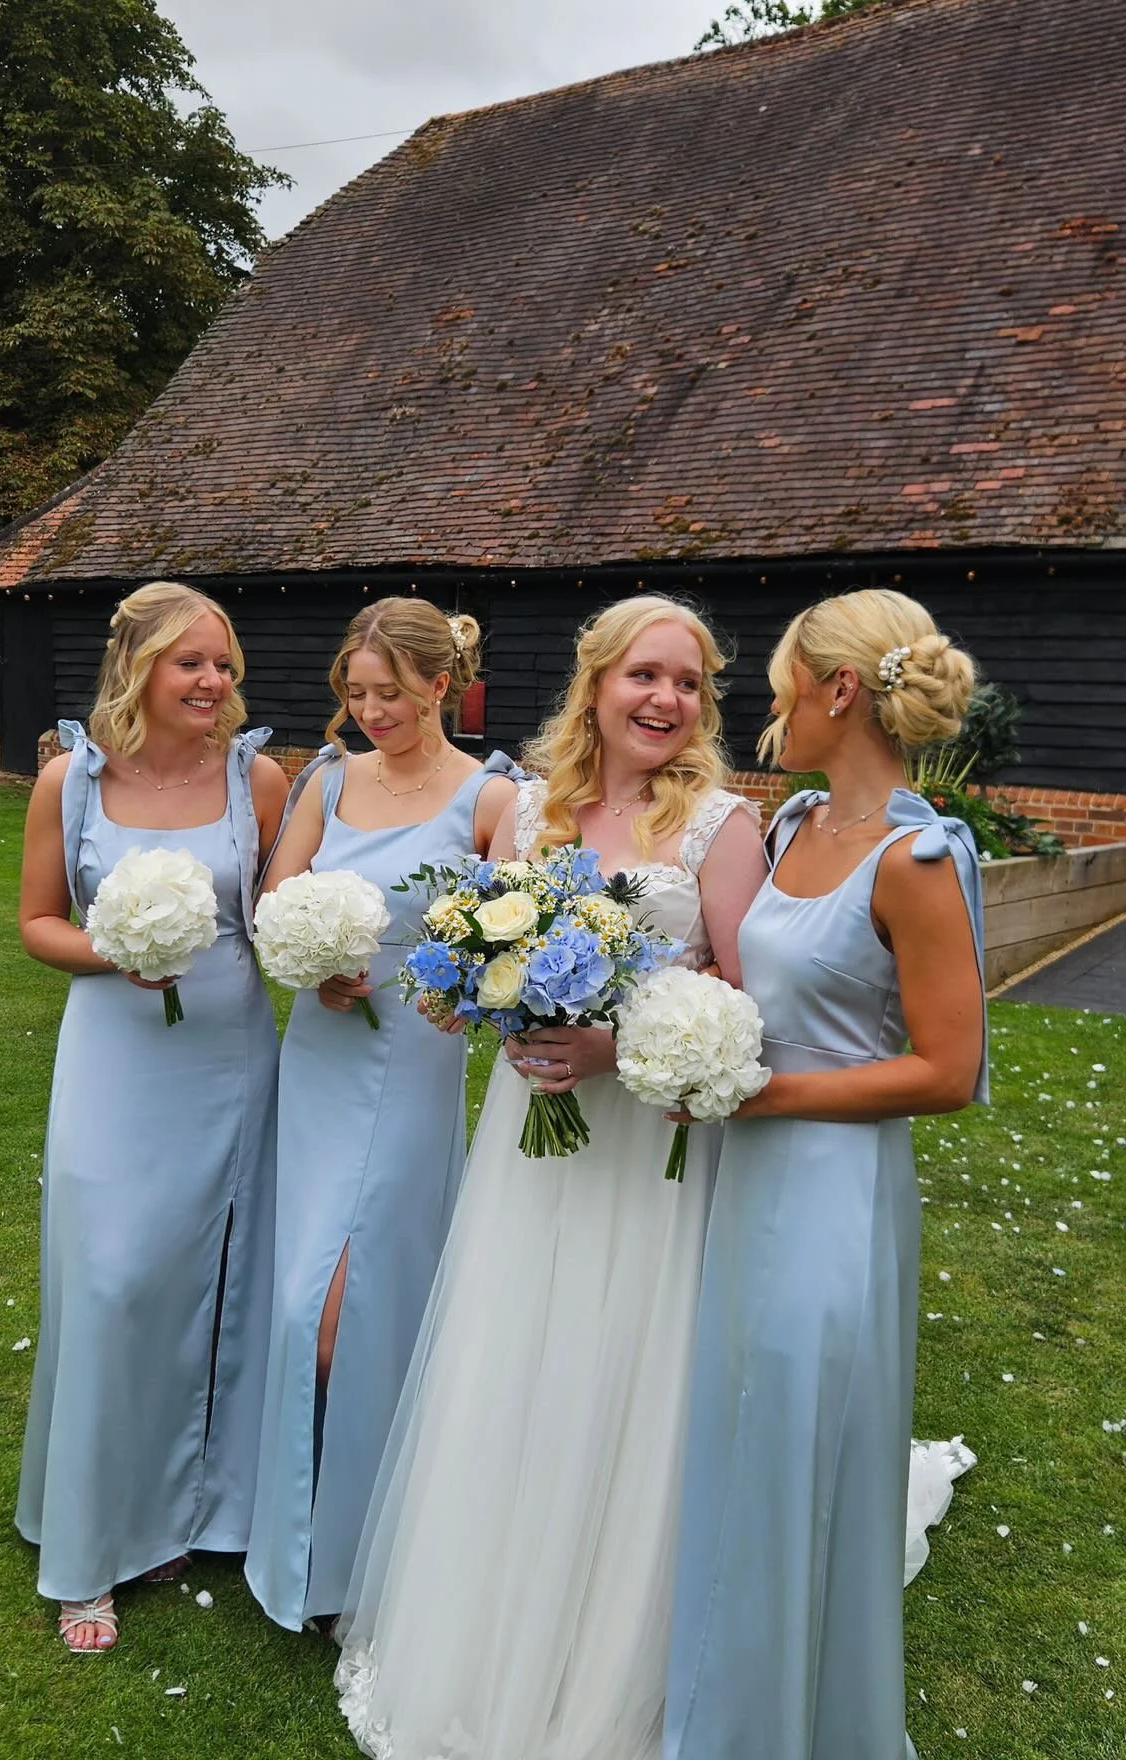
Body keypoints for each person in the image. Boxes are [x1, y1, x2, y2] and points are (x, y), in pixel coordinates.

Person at [334, 594, 768, 1760]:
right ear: (596, 684)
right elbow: (463, 957)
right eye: (643, 676)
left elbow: (742, 1000)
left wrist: (617, 1049)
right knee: (514, 1361)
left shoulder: (725, 827)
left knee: (624, 1372)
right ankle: (483, 1629)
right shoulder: (531, 811)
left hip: (649, 1156)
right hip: (529, 1151)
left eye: (686, 681)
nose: (665, 700)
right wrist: (468, 991)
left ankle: (605, 1652)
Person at [663, 589, 988, 1760]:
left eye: (781, 684)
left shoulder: (919, 858)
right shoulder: (794, 825)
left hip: (834, 1196)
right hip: (743, 1179)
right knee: (737, 1436)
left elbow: (948, 1068)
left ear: (837, 690)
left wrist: (761, 1093)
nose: (767, 711)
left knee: (798, 1439)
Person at [16, 581, 289, 1652]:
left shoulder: (256, 777)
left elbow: (279, 913)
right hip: (113, 1061)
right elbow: (38, 922)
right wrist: (110, 949)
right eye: (192, 663)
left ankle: (189, 1509)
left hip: (228, 1059)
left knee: (213, 1276)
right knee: (112, 1277)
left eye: (224, 663)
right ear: (138, 667)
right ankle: (88, 1541)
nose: (215, 682)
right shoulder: (67, 781)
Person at [245, 598, 519, 1632]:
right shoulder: (327, 778)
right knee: (300, 1307)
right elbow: (279, 902)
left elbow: (517, 937)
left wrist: (462, 984)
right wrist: (311, 965)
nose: (371, 713)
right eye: (356, 694)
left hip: (413, 1061)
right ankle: (300, 1542)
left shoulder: (493, 796)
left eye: (391, 694)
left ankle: (365, 1558)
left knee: (354, 1312)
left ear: (441, 685)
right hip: (319, 1056)